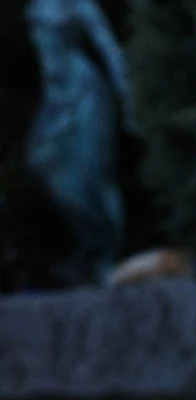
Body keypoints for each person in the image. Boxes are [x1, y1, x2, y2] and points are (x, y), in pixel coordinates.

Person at [25, 0, 131, 285]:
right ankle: (91, 240)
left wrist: (128, 98)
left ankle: (106, 253)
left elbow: (108, 48)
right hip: (57, 99)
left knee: (95, 173)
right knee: (43, 164)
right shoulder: (36, 5)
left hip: (85, 93)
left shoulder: (81, 5)